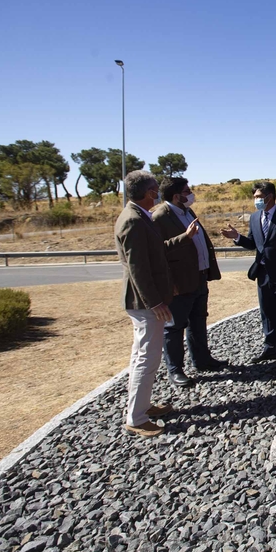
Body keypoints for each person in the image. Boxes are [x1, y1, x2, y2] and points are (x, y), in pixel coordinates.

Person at [114, 170, 175, 437]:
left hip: (146, 300)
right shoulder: (133, 221)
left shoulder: (139, 216)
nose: (157, 193)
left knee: (143, 356)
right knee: (146, 359)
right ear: (149, 192)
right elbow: (138, 268)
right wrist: (155, 302)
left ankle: (142, 406)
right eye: (155, 189)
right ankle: (136, 419)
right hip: (144, 302)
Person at [151, 176, 227, 387]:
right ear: (176, 196)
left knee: (198, 321)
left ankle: (202, 360)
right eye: (187, 191)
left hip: (199, 278)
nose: (191, 194)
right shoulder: (159, 217)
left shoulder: (187, 211)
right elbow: (157, 252)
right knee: (174, 327)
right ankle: (175, 370)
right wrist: (185, 237)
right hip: (178, 284)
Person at [221, 182, 276, 363]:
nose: (256, 201)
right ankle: (270, 348)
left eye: (259, 197)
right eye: (255, 198)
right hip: (263, 272)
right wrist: (236, 237)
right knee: (267, 312)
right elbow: (253, 243)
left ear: (270, 197)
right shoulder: (254, 217)